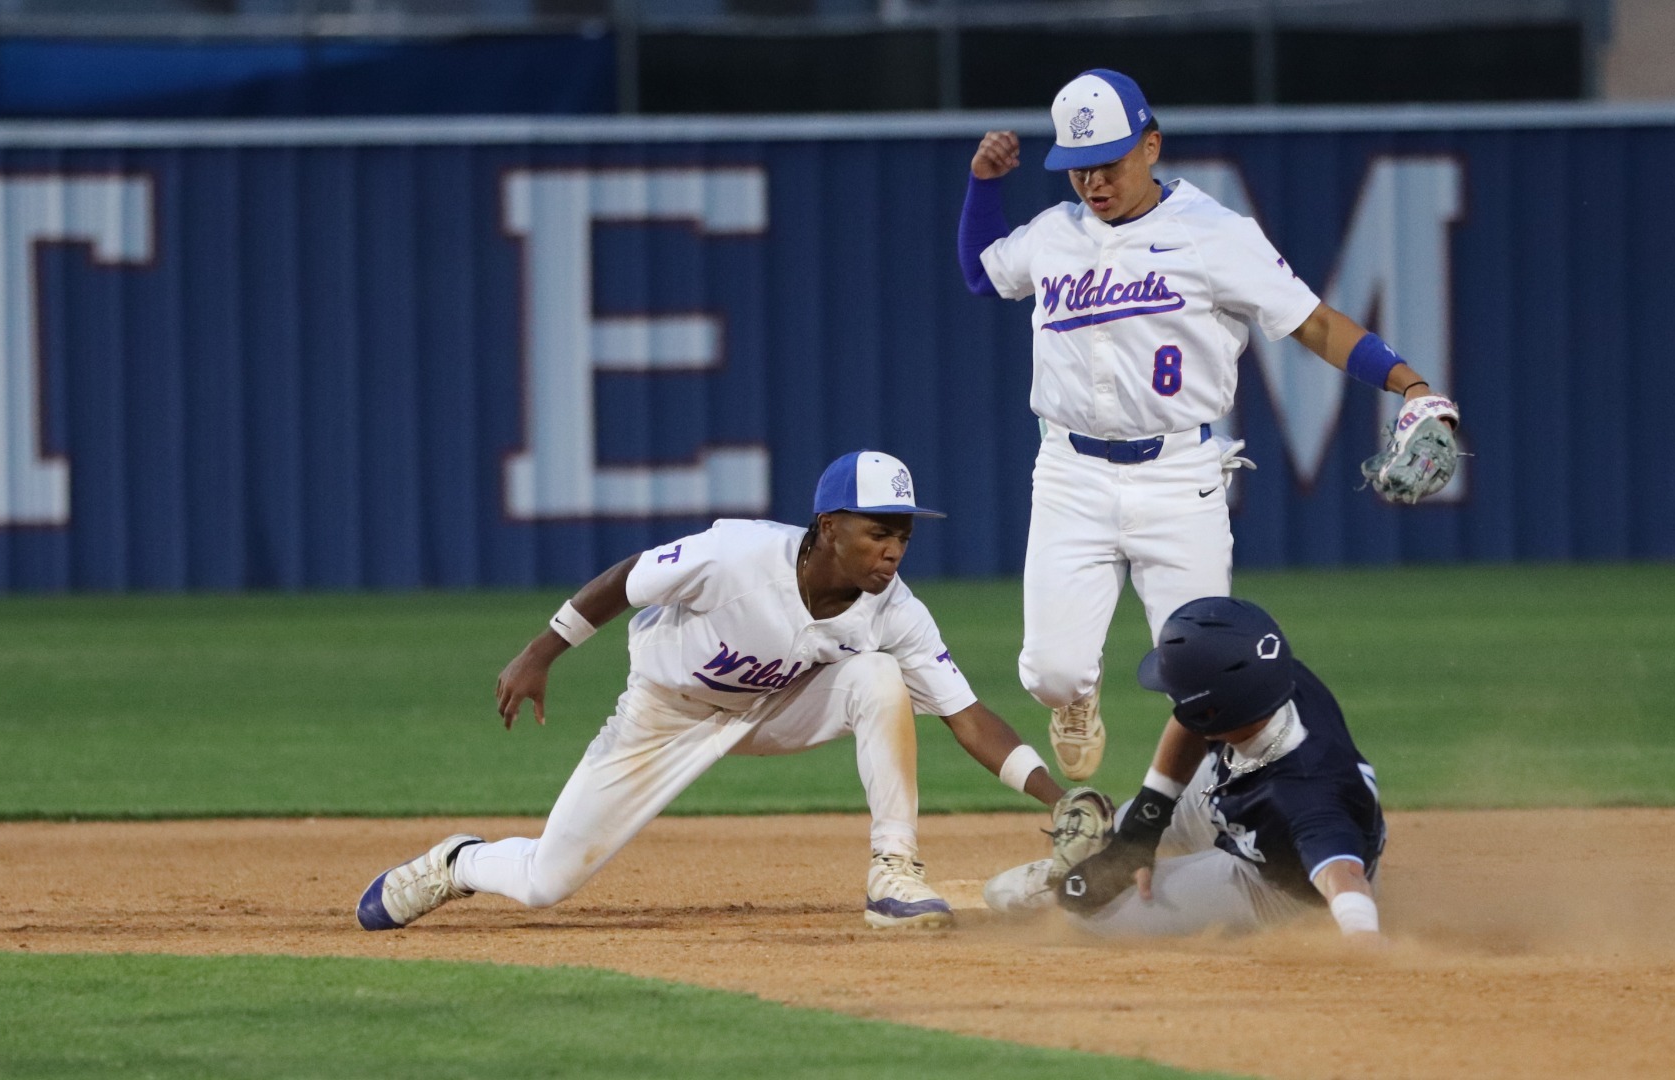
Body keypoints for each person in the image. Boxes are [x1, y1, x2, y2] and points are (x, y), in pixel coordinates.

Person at [958, 69, 1459, 781]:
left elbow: (1313, 321)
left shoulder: (1214, 235)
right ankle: (1078, 698)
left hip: (1178, 476)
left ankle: (1238, 818)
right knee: (1052, 675)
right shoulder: (1053, 235)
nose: (1093, 182)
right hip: (1070, 474)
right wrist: (983, 184)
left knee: (1210, 674)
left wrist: (1409, 382)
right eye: (1078, 168)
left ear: (1151, 144)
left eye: (1110, 161)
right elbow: (985, 274)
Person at [355, 450, 1065, 933]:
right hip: (664, 714)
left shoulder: (896, 609)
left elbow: (966, 716)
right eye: (879, 532)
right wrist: (542, 651)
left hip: (774, 709)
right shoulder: (737, 555)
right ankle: (457, 862)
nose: (893, 551)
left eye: (903, 536)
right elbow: (629, 579)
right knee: (545, 881)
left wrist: (1061, 803)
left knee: (878, 675)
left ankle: (895, 873)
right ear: (829, 527)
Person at [983, 596, 1386, 940]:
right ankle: (1116, 845)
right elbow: (1189, 719)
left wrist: (1363, 937)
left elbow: (1343, 873)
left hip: (1275, 883)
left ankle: (1056, 894)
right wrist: (1144, 827)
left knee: (1082, 912)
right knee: (1116, 832)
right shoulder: (1269, 678)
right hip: (1232, 779)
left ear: (1211, 711)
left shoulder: (1306, 799)